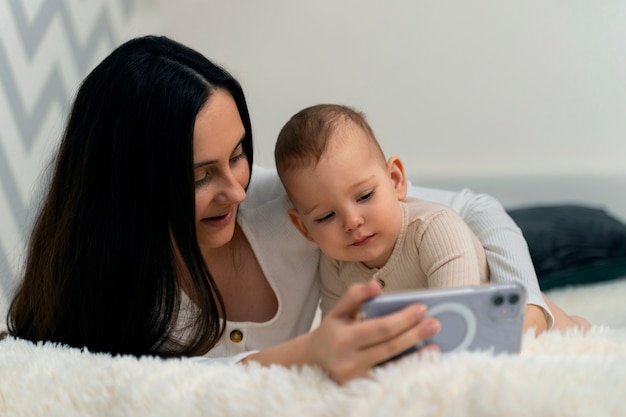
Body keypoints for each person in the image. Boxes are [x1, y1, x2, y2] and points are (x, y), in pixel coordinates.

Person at [0, 35, 560, 385]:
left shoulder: (292, 208)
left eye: (238, 155)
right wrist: (304, 355)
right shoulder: (108, 279)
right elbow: (118, 383)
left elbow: (475, 208)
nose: (236, 191)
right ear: (132, 187)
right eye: (201, 177)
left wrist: (529, 305)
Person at [274, 103, 591, 332]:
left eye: (365, 196)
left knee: (564, 329)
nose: (352, 221)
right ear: (304, 228)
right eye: (326, 216)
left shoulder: (435, 230)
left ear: (396, 180)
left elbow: (456, 325)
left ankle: (574, 324)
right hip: (431, 333)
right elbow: (338, 334)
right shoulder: (333, 264)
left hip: (508, 320)